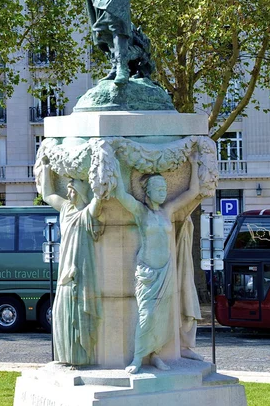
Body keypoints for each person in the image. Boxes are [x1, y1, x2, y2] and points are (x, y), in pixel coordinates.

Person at [113, 153, 203, 373]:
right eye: (159, 188)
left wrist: (192, 163)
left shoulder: (168, 210)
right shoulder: (140, 212)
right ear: (149, 191)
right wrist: (115, 164)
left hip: (166, 271)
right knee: (147, 315)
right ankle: (137, 358)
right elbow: (120, 194)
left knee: (162, 318)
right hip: (148, 272)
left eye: (164, 188)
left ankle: (154, 355)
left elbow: (193, 193)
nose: (163, 191)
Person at [41, 158, 104, 366]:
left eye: (72, 189)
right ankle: (66, 357)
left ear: (79, 192)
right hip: (65, 273)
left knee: (78, 316)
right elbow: (49, 195)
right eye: (68, 189)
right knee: (61, 315)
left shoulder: (86, 214)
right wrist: (47, 169)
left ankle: (80, 358)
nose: (68, 193)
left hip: (81, 275)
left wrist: (100, 175)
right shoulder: (67, 210)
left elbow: (98, 199)